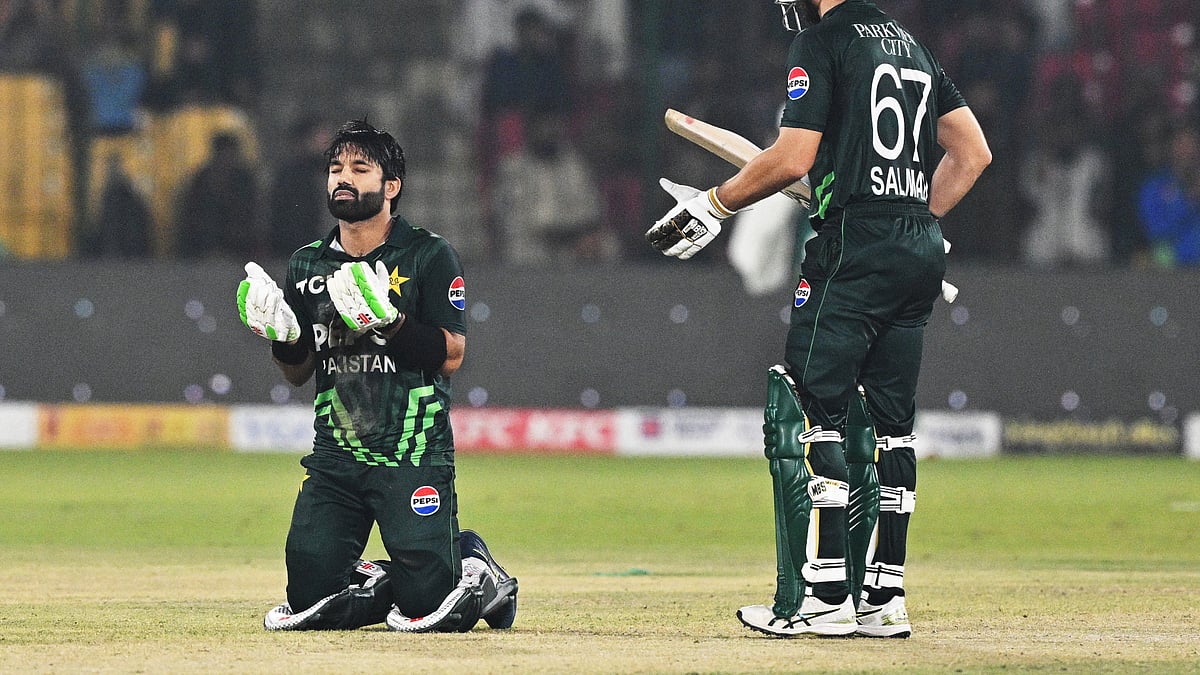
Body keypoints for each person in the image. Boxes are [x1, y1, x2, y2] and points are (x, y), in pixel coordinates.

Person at [645, 0, 990, 638]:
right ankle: (885, 600)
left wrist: (716, 205)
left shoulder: (823, 41)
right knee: (895, 428)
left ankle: (826, 594)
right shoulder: (911, 46)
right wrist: (909, 224)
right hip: (914, 251)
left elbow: (793, 158)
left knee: (812, 409)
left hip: (850, 250)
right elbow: (973, 154)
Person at [236, 119, 518, 632]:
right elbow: (298, 373)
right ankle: (407, 571)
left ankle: (475, 567)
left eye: (360, 168)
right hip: (335, 457)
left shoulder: (428, 254)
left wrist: (389, 323)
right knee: (308, 597)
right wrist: (281, 335)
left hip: (410, 453)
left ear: (391, 187)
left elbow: (451, 355)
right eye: (335, 169)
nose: (343, 178)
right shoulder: (307, 265)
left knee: (428, 606)